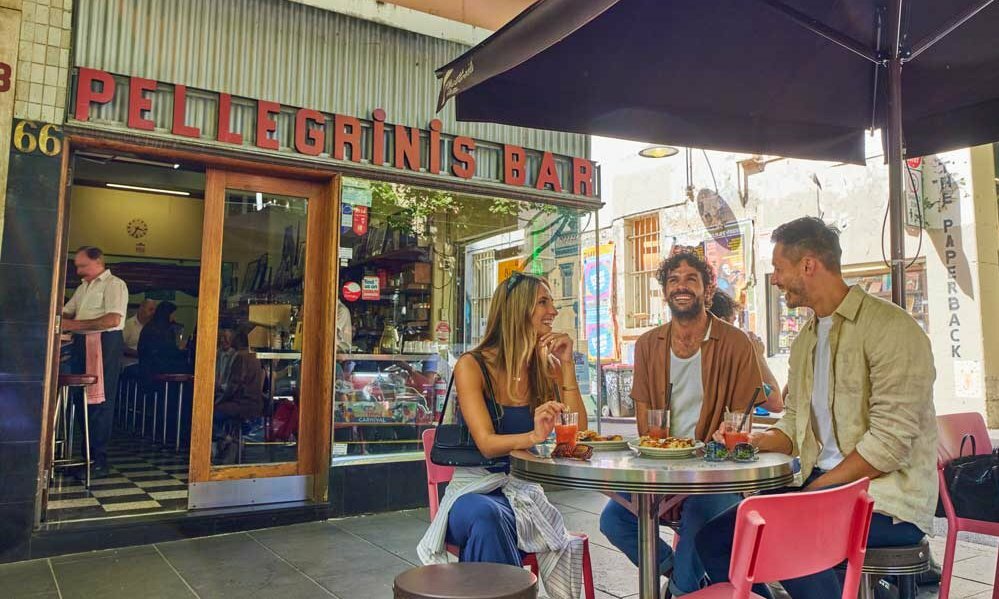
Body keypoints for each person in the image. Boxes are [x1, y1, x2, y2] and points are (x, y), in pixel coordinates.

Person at [696, 217, 937, 598]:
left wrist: (812, 494)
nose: (774, 279)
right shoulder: (806, 339)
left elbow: (888, 444)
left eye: (778, 268)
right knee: (714, 540)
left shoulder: (892, 328)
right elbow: (794, 425)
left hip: (888, 500)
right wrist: (751, 441)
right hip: (820, 487)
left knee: (784, 538)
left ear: (808, 265)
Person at [599, 249, 764, 596]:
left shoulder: (735, 343)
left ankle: (680, 591)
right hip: (663, 468)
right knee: (613, 520)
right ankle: (679, 572)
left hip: (716, 473)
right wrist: (666, 456)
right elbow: (646, 426)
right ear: (665, 291)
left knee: (700, 515)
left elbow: (742, 422)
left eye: (691, 279)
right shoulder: (647, 345)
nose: (681, 287)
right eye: (673, 280)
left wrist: (728, 435)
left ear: (707, 288)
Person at [417, 272, 588, 599]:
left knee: (497, 523)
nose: (553, 310)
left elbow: (576, 431)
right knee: (487, 516)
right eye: (542, 302)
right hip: (472, 491)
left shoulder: (543, 365)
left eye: (551, 302)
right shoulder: (472, 365)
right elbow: (486, 442)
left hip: (521, 490)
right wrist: (532, 435)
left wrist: (566, 366)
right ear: (516, 310)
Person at [61, 246, 129, 477]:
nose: (79, 271)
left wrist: (71, 325)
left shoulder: (114, 285)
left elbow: (112, 319)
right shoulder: (83, 287)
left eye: (83, 266)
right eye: (77, 267)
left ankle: (99, 460)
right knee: (82, 401)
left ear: (98, 261)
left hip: (104, 343)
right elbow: (65, 313)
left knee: (100, 402)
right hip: (82, 344)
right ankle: (87, 457)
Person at [709, 290, 783, 412]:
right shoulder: (732, 365)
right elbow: (775, 403)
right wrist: (758, 356)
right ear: (722, 323)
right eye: (733, 321)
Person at [213, 328, 265, 463]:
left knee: (212, 413)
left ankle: (226, 439)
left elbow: (234, 385)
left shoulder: (240, 357)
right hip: (255, 403)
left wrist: (219, 400)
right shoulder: (254, 356)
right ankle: (231, 441)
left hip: (242, 405)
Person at [137, 301, 190, 385]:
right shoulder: (163, 329)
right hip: (157, 366)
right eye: (172, 314)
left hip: (147, 365)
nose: (174, 317)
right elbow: (167, 350)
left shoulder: (150, 326)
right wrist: (179, 348)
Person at [122, 299, 156, 369]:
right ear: (141, 309)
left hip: (150, 365)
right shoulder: (129, 324)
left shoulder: (155, 326)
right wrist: (139, 354)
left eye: (154, 310)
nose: (153, 312)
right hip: (131, 364)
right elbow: (120, 346)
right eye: (150, 309)